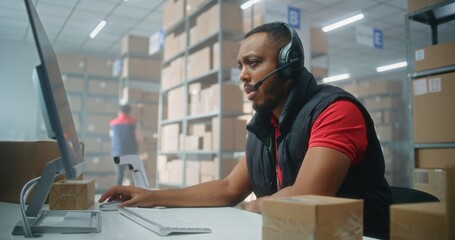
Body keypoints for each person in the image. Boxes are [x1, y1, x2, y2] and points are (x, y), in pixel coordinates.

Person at [100, 22, 392, 239]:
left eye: (253, 63)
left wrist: (251, 208)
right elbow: (229, 188)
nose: (242, 75)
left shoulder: (334, 110)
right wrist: (150, 197)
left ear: (289, 64)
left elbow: (308, 195)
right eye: (240, 65)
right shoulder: (264, 125)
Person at [109, 103, 142, 186]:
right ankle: (137, 193)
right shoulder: (134, 122)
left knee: (119, 175)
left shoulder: (113, 123)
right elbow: (139, 138)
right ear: (129, 111)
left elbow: (111, 135)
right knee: (135, 174)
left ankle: (117, 195)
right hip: (131, 152)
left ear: (120, 111)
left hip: (117, 152)